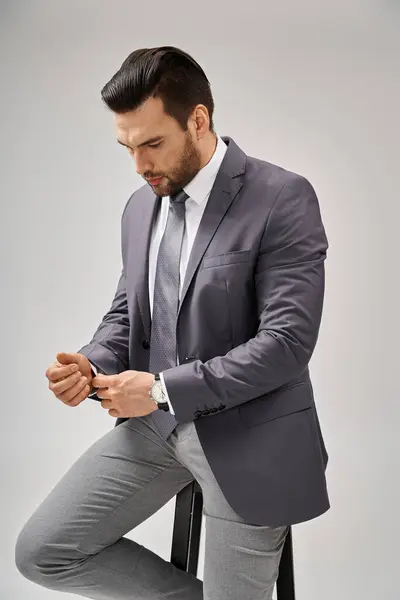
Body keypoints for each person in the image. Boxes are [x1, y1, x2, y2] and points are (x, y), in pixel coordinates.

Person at [15, 45, 330, 600]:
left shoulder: (282, 197)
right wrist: (90, 363)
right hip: (157, 431)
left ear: (199, 120)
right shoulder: (141, 207)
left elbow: (286, 344)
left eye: (153, 144)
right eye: (127, 148)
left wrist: (160, 389)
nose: (140, 165)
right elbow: (130, 313)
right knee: (44, 552)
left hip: (250, 434)